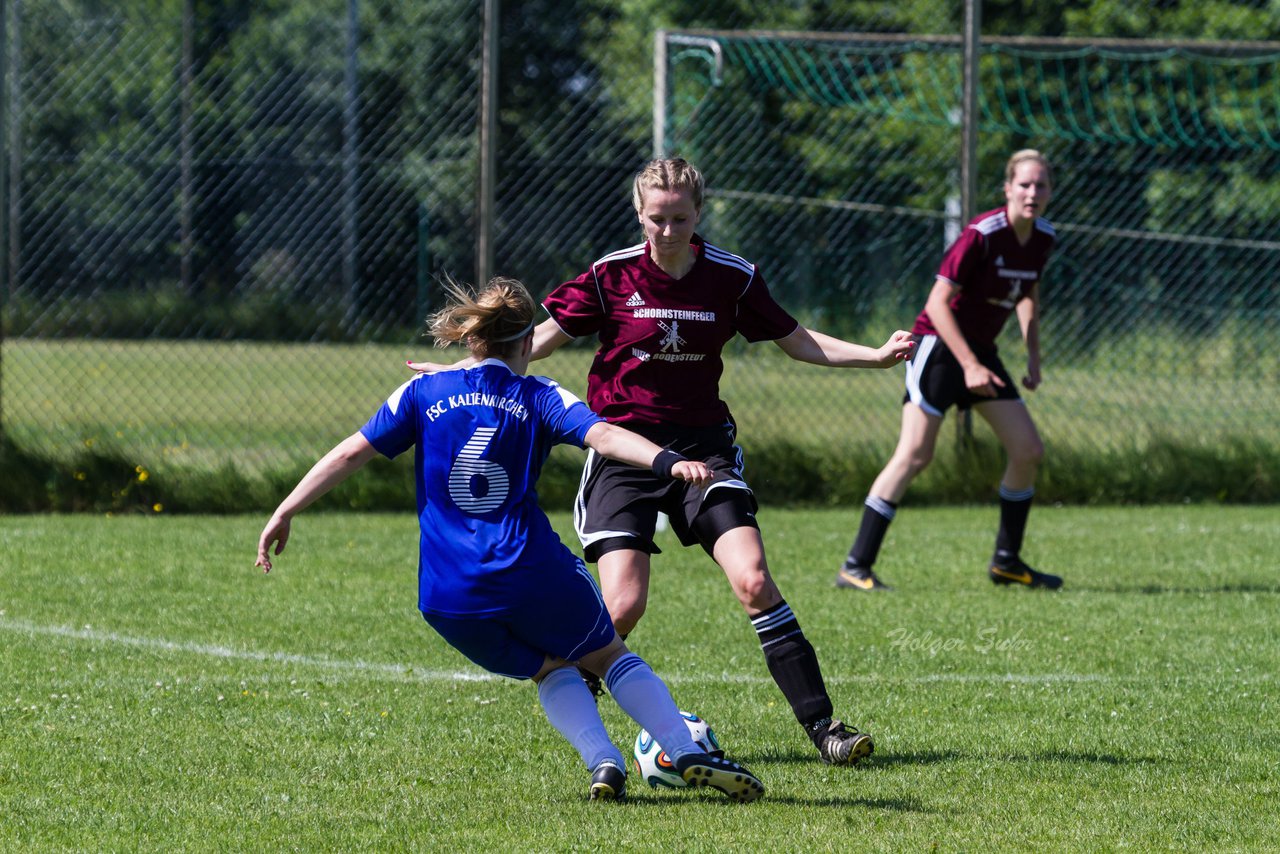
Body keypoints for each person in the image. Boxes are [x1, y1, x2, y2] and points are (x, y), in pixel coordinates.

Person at [415, 158, 914, 765]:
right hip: (624, 455)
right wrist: (472, 373)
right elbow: (536, 341)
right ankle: (586, 715)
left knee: (753, 579)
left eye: (680, 218)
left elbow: (794, 337)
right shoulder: (610, 276)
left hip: (703, 452)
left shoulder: (731, 278)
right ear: (638, 212)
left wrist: (875, 356)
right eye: (657, 219)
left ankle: (825, 728)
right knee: (622, 607)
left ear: (699, 213)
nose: (669, 231)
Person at [256, 276, 765, 804]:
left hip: (446, 598)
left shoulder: (421, 391)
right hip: (528, 570)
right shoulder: (537, 394)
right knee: (609, 656)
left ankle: (604, 762)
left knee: (550, 669)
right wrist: (668, 460)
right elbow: (606, 436)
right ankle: (685, 749)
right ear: (528, 343)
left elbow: (347, 455)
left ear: (473, 338)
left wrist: (284, 510)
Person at [836, 149, 1063, 592]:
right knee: (916, 454)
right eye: (1025, 184)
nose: (1033, 193)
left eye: (1041, 185)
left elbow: (1028, 293)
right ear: (1007, 189)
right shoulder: (982, 233)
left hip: (980, 353)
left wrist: (1033, 356)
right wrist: (970, 364)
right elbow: (937, 304)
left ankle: (1006, 562)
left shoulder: (1044, 237)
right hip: (938, 349)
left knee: (1028, 450)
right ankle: (855, 566)